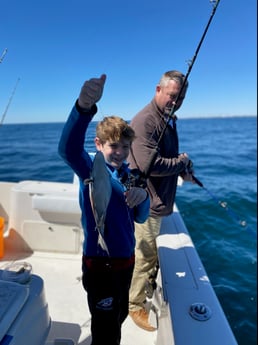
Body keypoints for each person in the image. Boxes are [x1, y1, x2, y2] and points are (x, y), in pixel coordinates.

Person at [58, 74, 150, 345]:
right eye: (113, 145)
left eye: (125, 146)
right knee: (106, 331)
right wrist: (83, 107)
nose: (120, 152)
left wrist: (142, 196)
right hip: (100, 266)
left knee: (119, 313)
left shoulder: (128, 176)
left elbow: (141, 217)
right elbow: (67, 149)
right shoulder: (90, 167)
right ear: (98, 145)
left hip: (126, 262)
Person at [127, 70, 195, 331]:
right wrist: (181, 162)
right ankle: (134, 305)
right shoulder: (145, 121)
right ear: (158, 90)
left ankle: (144, 290)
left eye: (181, 98)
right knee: (144, 255)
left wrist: (183, 169)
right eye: (172, 96)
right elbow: (149, 164)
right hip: (147, 204)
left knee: (151, 254)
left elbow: (168, 155)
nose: (176, 102)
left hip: (159, 201)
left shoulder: (168, 117)